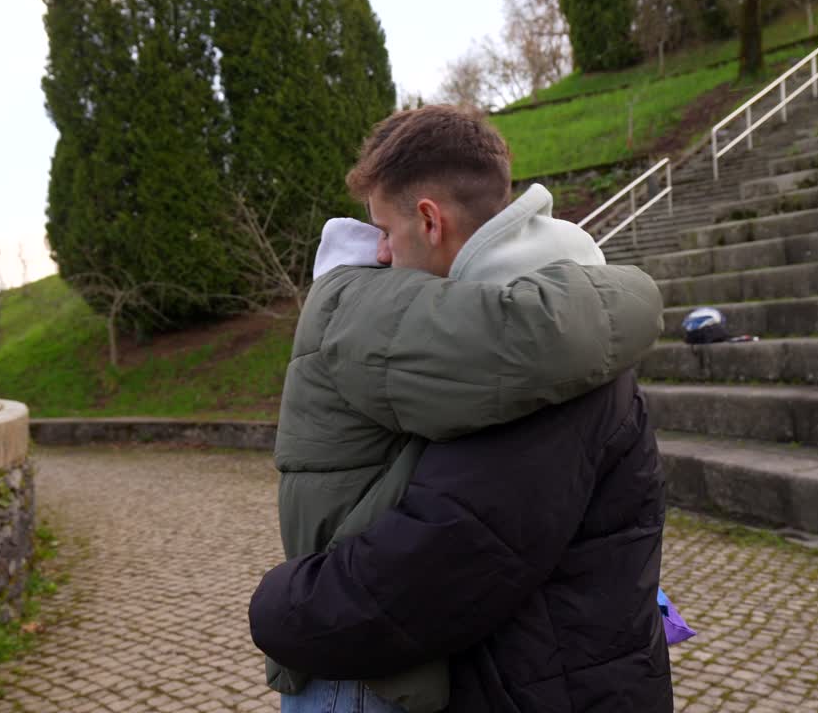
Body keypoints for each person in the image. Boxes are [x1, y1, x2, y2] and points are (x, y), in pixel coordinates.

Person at [251, 105, 674, 713]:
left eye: (383, 232)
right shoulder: (567, 326)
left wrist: (284, 606)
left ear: (428, 221)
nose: (381, 257)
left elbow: (449, 559)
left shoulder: (543, 366)